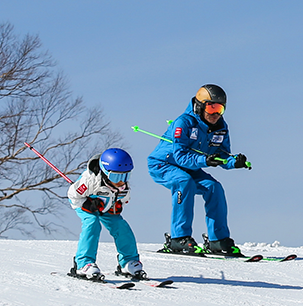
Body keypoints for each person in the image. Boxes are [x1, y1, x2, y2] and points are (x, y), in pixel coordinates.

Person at [147, 84, 250, 255]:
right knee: (184, 182)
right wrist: (205, 160)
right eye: (212, 107)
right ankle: (179, 238)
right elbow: (180, 157)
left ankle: (218, 240)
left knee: (214, 188)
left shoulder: (221, 127)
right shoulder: (184, 123)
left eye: (220, 109)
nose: (216, 114)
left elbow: (222, 155)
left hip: (191, 167)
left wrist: (234, 162)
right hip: (164, 164)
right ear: (200, 106)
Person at [67, 148, 145, 281]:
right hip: (85, 205)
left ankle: (128, 261)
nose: (121, 182)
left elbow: (124, 200)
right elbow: (72, 195)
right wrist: (87, 204)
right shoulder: (89, 180)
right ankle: (84, 263)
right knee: (92, 223)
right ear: (105, 172)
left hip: (107, 207)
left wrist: (116, 206)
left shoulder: (123, 187)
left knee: (121, 226)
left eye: (125, 176)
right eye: (116, 177)